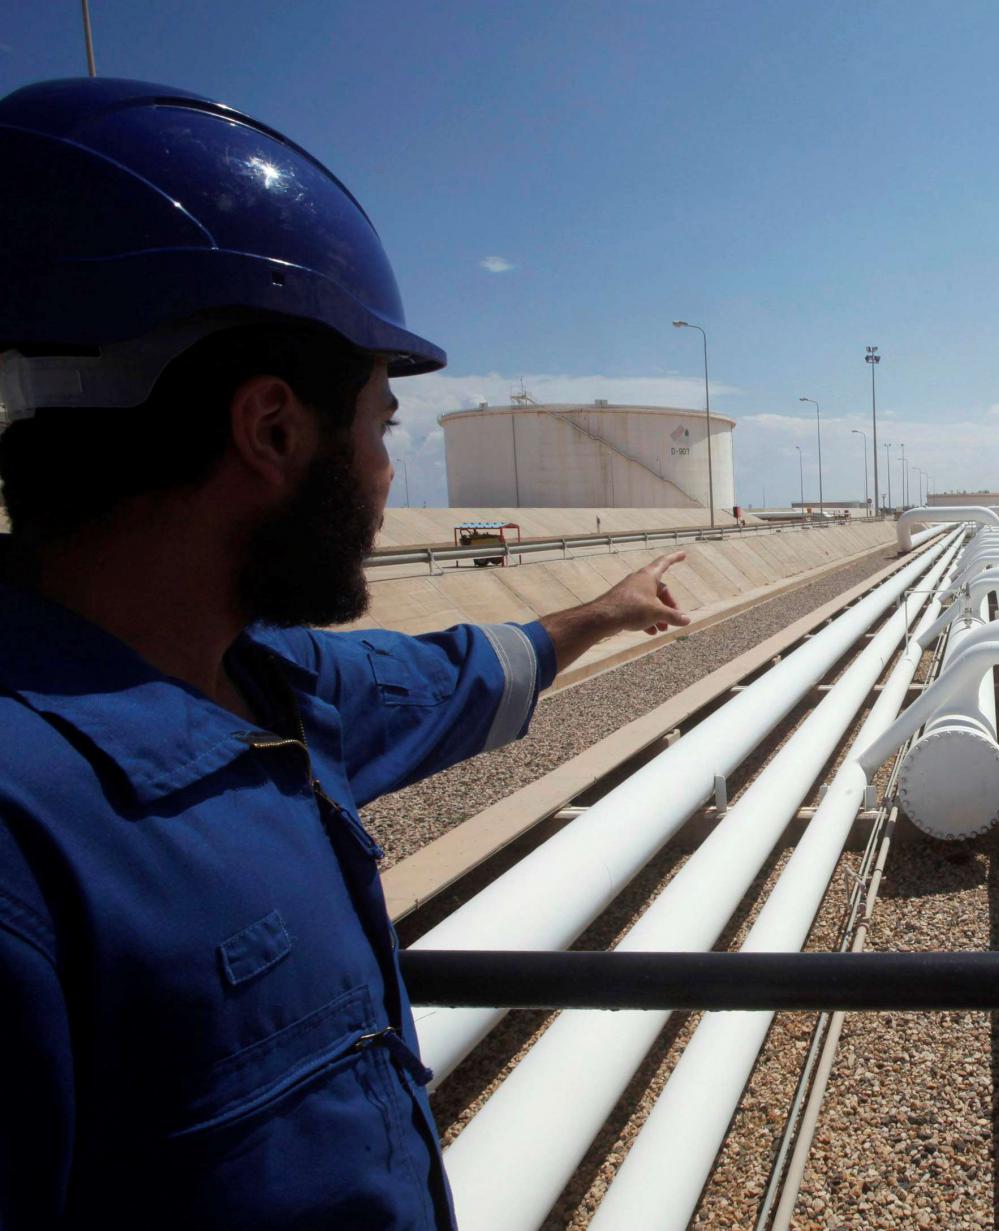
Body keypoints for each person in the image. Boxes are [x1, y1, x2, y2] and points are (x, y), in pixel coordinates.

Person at [0, 79, 692, 1229]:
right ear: (272, 429)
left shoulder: (260, 689)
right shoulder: (31, 843)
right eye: (379, 426)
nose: (384, 477)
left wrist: (600, 615)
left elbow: (446, 678)